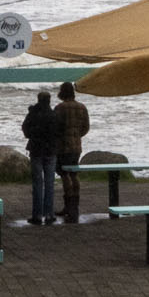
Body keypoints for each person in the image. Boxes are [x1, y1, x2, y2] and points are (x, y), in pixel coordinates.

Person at [21, 90, 62, 224]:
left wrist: (33, 135)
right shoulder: (54, 115)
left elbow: (25, 129)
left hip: (36, 150)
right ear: (49, 100)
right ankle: (49, 214)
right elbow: (59, 131)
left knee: (38, 183)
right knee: (50, 183)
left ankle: (37, 215)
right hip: (50, 151)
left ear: (38, 100)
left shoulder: (33, 114)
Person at [55, 81, 90, 224]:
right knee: (74, 175)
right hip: (76, 146)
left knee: (64, 175)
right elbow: (86, 127)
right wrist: (77, 136)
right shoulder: (82, 107)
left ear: (62, 92)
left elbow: (55, 127)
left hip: (63, 146)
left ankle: (68, 206)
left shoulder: (60, 107)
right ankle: (74, 205)